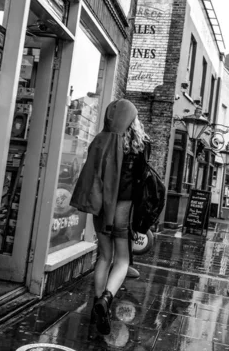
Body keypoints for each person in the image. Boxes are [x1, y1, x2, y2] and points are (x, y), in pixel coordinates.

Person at [70, 99, 149, 336]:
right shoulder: (140, 145)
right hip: (124, 210)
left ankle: (97, 304)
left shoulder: (99, 141)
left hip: (102, 208)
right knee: (122, 260)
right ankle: (106, 300)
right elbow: (141, 183)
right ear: (132, 120)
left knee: (104, 256)